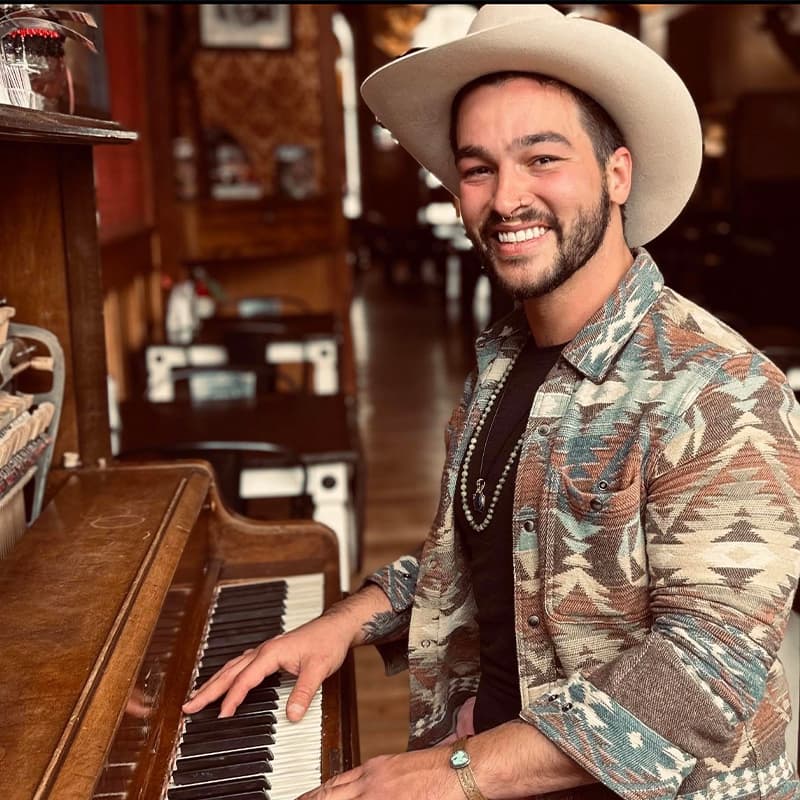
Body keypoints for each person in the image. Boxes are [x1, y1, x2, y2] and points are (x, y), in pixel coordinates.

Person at [183, 5, 800, 798]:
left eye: (542, 158)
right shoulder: (503, 361)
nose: (506, 198)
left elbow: (705, 671)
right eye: (478, 168)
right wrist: (346, 620)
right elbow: (496, 556)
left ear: (617, 174)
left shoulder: (720, 388)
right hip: (506, 755)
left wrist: (451, 772)